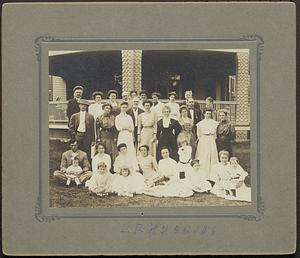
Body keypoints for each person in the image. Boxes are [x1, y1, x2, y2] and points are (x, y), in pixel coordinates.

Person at [195, 108, 219, 180]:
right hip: (203, 140)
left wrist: (211, 139)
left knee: (212, 156)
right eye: (207, 113)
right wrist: (203, 139)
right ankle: (203, 175)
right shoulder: (200, 124)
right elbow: (198, 135)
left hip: (211, 140)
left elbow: (215, 135)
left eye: (209, 113)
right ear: (204, 114)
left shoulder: (214, 123)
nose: (208, 115)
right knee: (204, 156)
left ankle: (212, 176)